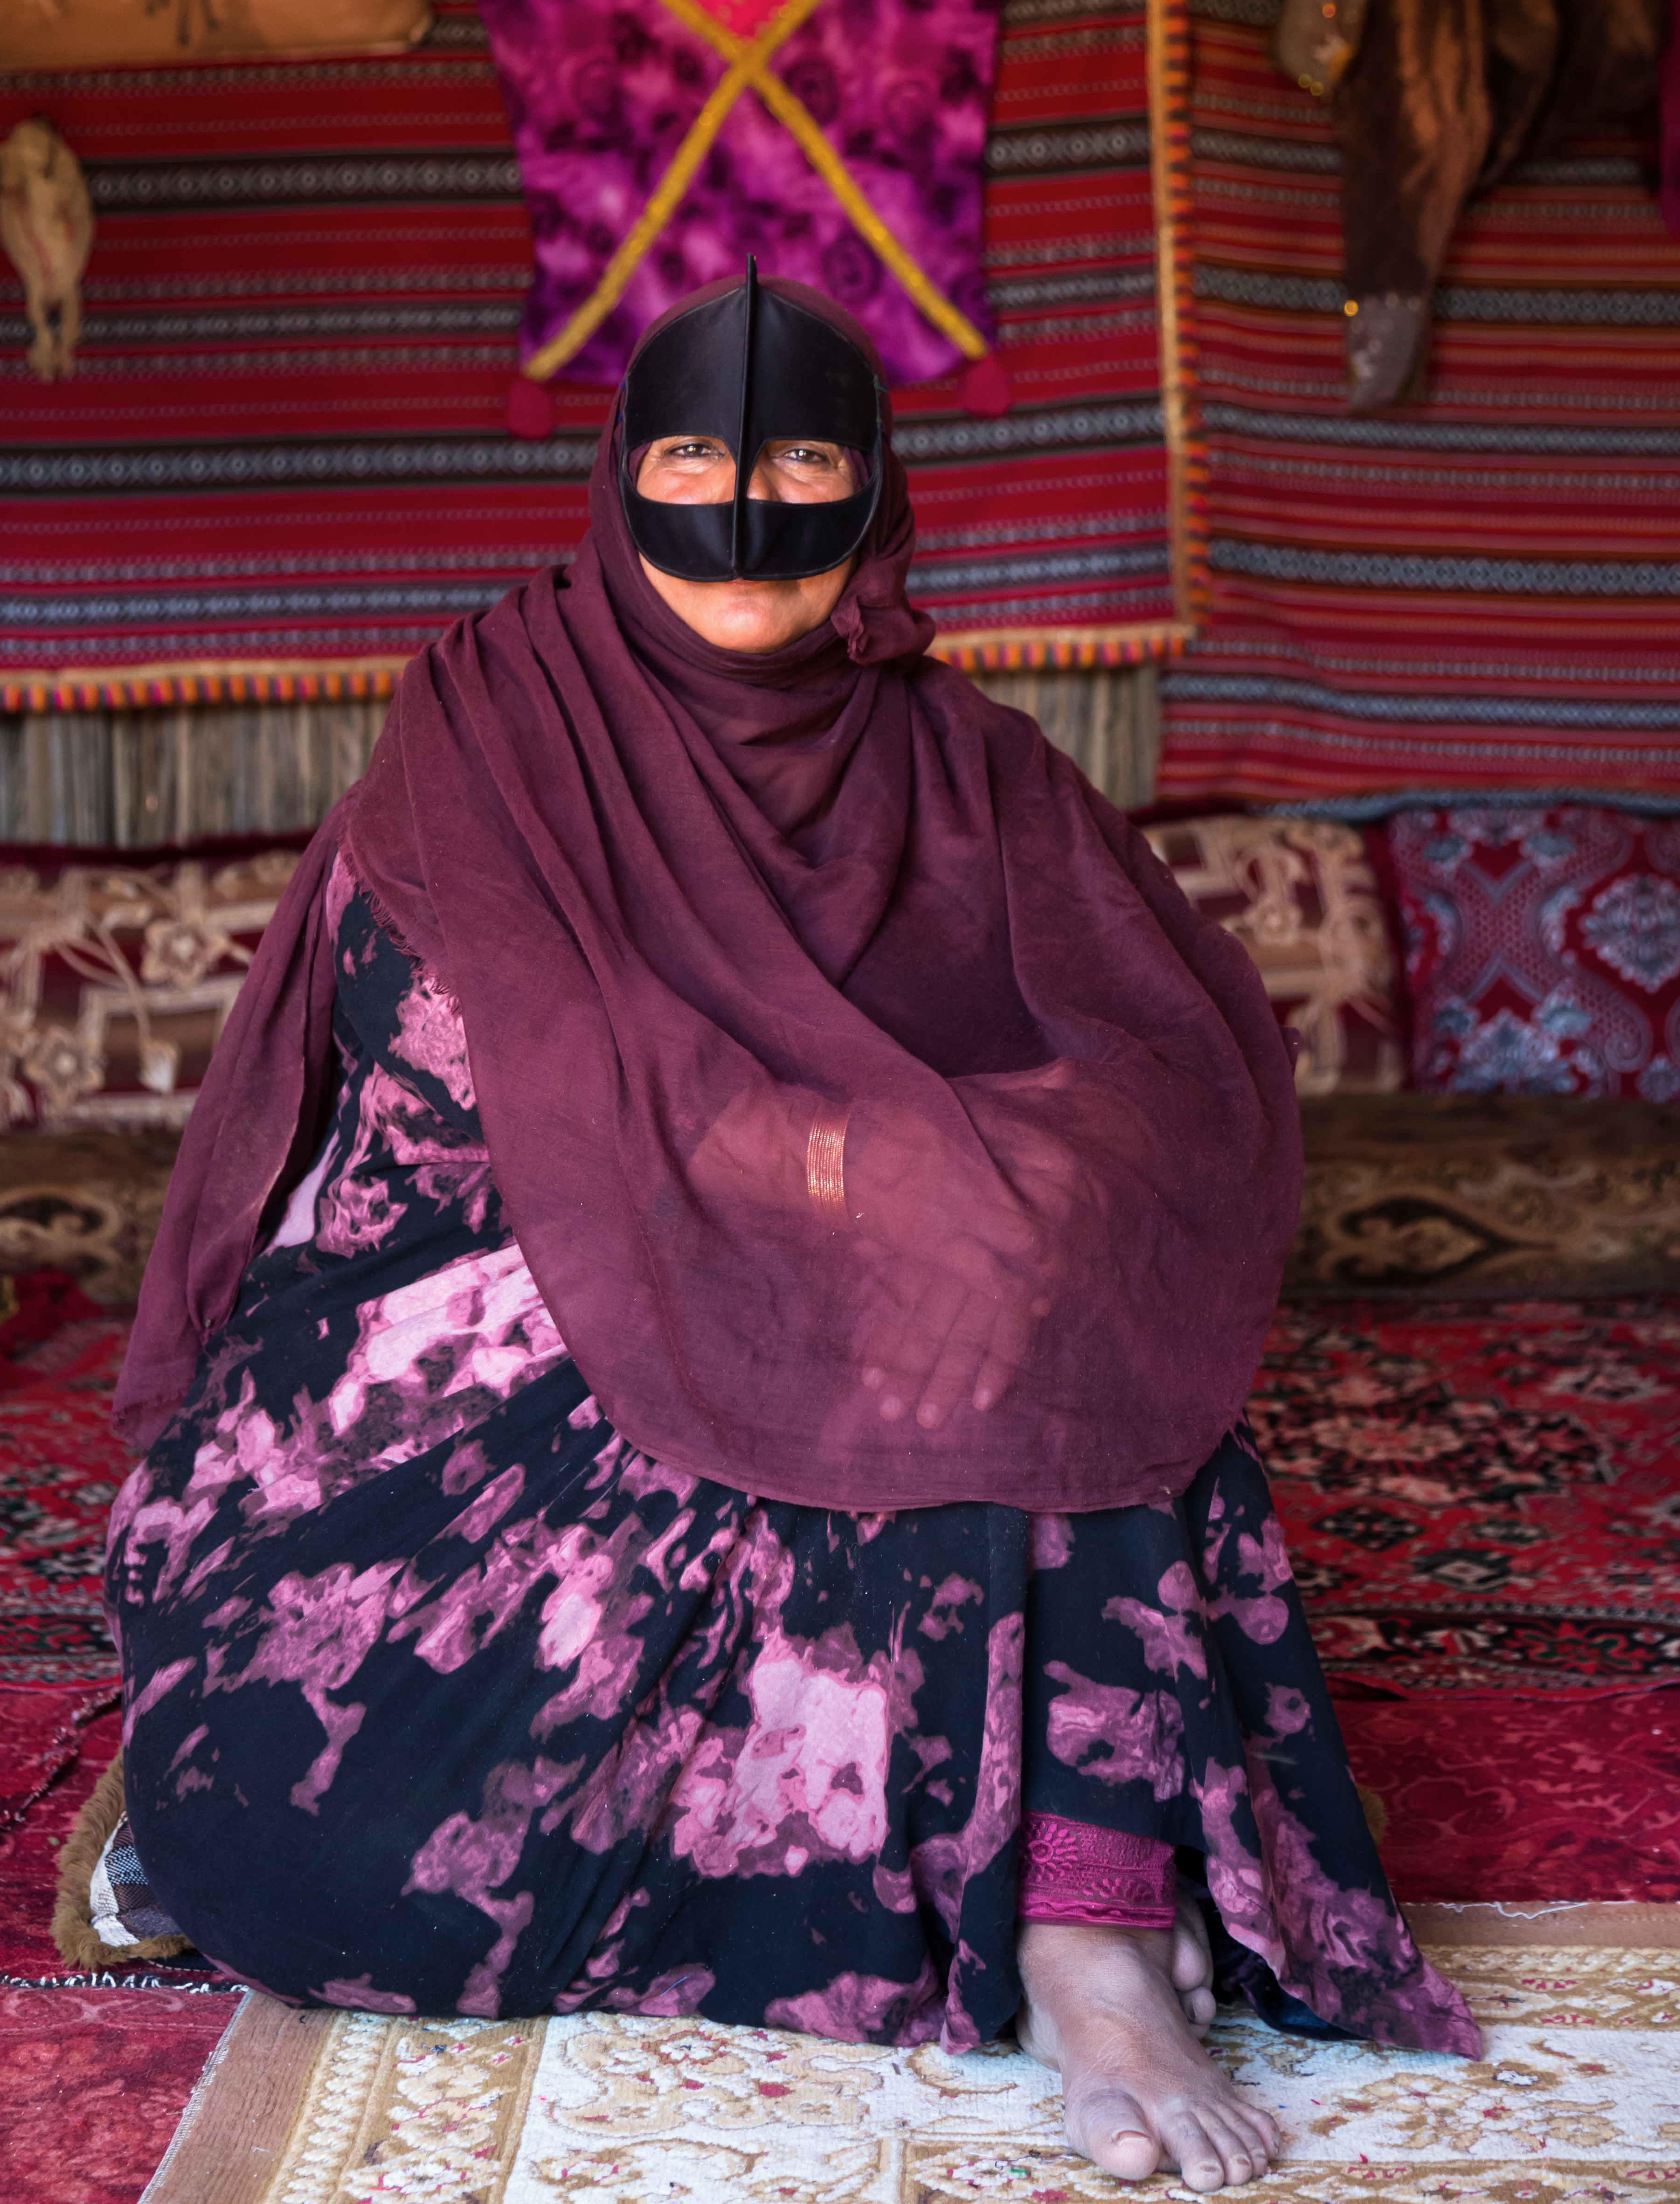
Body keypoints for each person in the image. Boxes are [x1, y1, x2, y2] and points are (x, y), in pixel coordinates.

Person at [107, 267, 1478, 2190]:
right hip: (501, 1353)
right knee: (317, 1840)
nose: (745, 513)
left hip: (919, 1347)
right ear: (616, 479)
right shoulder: (490, 747)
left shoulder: (970, 778)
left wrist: (942, 1203)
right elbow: (455, 1103)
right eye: (689, 458)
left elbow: (1159, 1077)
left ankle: (1085, 1929)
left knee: (1039, 1269)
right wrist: (838, 1183)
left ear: (880, 492)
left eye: (805, 459)